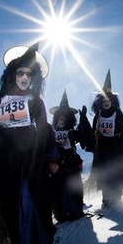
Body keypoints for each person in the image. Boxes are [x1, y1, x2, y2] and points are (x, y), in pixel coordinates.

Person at [0, 43, 59, 244]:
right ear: (12, 75)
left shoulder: (36, 102)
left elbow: (45, 131)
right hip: (7, 161)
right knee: (10, 203)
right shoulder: (0, 104)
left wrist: (51, 157)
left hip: (32, 160)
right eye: (20, 72)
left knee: (34, 201)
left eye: (29, 74)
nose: (24, 77)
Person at [86, 77, 123, 210]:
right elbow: (93, 132)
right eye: (103, 100)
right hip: (103, 148)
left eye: (108, 100)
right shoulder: (98, 115)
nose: (106, 102)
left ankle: (117, 197)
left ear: (112, 100)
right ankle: (106, 198)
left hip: (116, 147)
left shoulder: (117, 113)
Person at [48, 90, 85, 223]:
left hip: (71, 162)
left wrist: (83, 120)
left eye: (64, 118)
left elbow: (83, 136)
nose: (61, 120)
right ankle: (62, 214)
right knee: (59, 189)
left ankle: (76, 210)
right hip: (57, 163)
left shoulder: (72, 132)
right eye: (59, 118)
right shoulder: (51, 133)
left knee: (73, 186)